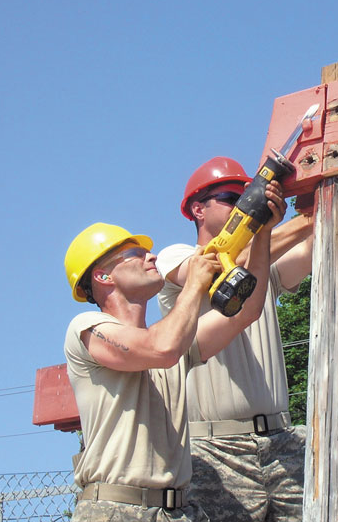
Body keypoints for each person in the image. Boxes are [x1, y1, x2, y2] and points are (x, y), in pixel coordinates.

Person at [62, 185, 285, 522]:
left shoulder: (174, 339)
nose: (150, 256)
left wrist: (264, 234)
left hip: (177, 510)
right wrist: (196, 283)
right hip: (115, 509)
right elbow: (161, 349)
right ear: (102, 275)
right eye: (134, 254)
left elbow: (246, 312)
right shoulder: (87, 328)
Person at [155, 156, 314, 522]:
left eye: (249, 195)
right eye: (232, 197)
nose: (247, 204)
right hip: (214, 448)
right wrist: (299, 221)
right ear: (197, 209)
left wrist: (331, 201)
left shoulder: (263, 265)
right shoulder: (176, 259)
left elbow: (315, 245)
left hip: (282, 440)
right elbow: (224, 262)